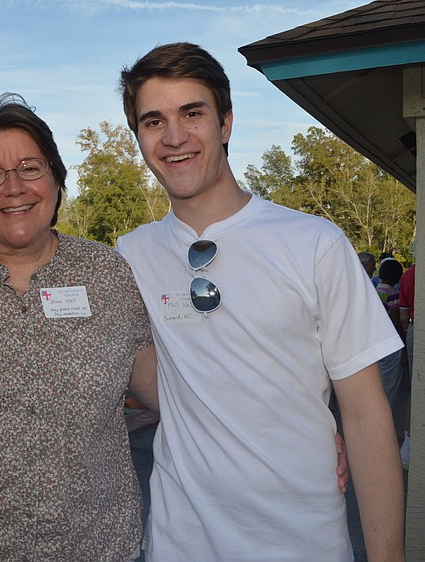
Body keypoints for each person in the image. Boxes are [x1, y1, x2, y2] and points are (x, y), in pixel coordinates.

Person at [113, 42, 404, 561]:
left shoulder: (314, 243)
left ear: (225, 123)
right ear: (138, 137)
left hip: (302, 542)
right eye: (153, 121)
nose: (174, 137)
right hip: (180, 544)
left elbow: (364, 413)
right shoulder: (129, 255)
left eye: (192, 113)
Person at [0, 93, 154, 561]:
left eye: (30, 167)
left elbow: (174, 394)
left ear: (56, 178)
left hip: (102, 548)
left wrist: (294, 425)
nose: (13, 188)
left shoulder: (108, 274)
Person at [375, 257, 405, 410]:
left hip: (375, 340)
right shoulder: (392, 294)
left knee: (378, 380)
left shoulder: (375, 290)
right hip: (389, 341)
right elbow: (396, 320)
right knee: (390, 384)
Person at [399, 262, 415, 468]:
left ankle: (408, 448)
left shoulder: (409, 274)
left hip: (413, 330)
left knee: (415, 390)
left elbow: (404, 316)